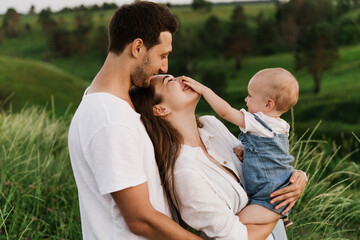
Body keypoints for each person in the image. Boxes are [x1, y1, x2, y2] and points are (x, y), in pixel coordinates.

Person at [68, 2, 201, 239]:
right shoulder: (110, 118)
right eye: (162, 55)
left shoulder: (113, 103)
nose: (164, 66)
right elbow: (140, 220)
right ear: (138, 47)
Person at [129, 74, 308, 239]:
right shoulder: (183, 171)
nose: (182, 79)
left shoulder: (211, 125)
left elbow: (261, 159)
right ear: (160, 109)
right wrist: (278, 209)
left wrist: (295, 178)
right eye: (170, 81)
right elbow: (236, 237)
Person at [182, 68, 299, 227]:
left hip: (267, 196)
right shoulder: (281, 126)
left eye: (250, 95)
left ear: (268, 104)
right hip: (276, 186)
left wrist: (205, 90)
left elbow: (226, 113)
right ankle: (282, 218)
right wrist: (247, 150)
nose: (246, 99)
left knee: (236, 224)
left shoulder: (259, 122)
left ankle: (278, 216)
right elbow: (270, 154)